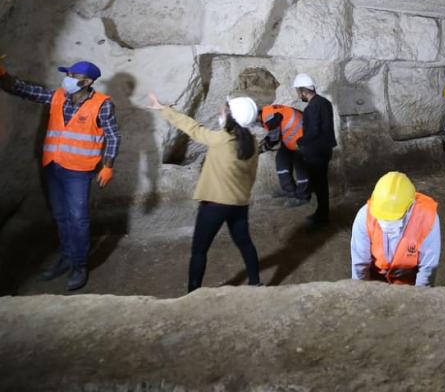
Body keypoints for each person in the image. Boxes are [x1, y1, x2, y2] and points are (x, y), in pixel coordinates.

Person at [0, 59, 120, 291]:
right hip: (53, 165)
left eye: (72, 75)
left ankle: (79, 264)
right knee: (61, 215)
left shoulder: (102, 104)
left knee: (78, 218)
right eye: (68, 74)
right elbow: (24, 89)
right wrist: (3, 75)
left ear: (87, 82)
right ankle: (66, 257)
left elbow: (113, 136)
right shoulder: (58, 96)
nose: (67, 79)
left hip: (78, 170)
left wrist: (108, 165)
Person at [146, 93, 261, 292]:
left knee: (199, 250)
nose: (221, 110)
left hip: (214, 205)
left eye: (225, 108)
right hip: (239, 204)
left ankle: (193, 293)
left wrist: (163, 109)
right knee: (245, 244)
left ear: (232, 116)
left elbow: (191, 127)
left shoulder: (219, 139)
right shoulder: (252, 142)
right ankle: (255, 282)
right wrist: (242, 196)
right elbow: (251, 175)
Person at [350, 171, 440, 286]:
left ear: (410, 207)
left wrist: (417, 298)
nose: (387, 224)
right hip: (375, 283)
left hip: (408, 285)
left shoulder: (427, 218)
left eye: (394, 217)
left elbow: (428, 270)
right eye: (382, 217)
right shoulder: (364, 217)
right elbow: (360, 267)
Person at [294, 73, 337, 227]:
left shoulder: (311, 108)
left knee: (319, 184)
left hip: (315, 151)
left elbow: (313, 132)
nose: (298, 95)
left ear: (303, 91)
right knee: (322, 183)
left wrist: (299, 141)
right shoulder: (325, 102)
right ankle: (322, 212)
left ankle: (322, 216)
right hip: (325, 150)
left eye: (298, 91)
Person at [259, 103, 308, 208]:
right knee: (281, 160)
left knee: (300, 167)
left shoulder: (269, 118)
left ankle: (303, 196)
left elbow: (274, 139)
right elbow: (276, 131)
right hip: (291, 140)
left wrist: (259, 150)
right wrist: (266, 140)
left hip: (301, 140)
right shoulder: (267, 111)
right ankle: (289, 190)